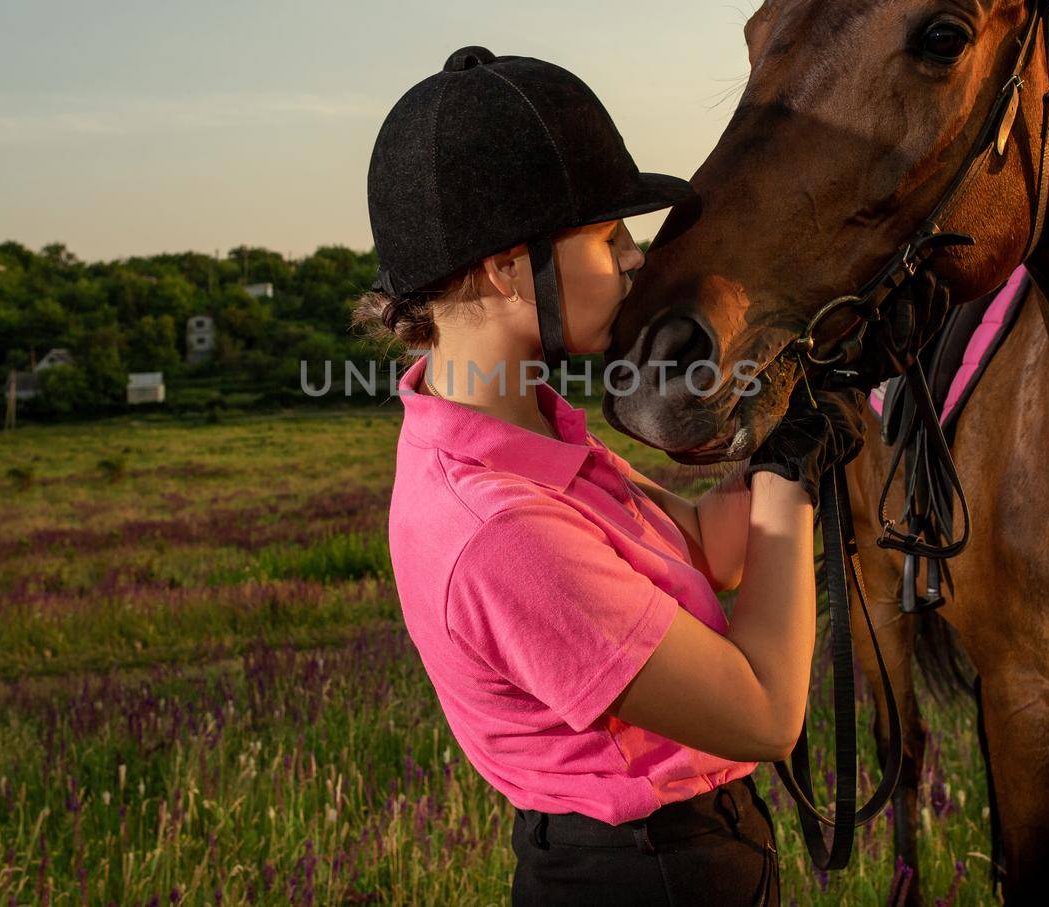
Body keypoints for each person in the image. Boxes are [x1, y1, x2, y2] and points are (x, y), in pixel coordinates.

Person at [353, 46, 866, 906]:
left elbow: (705, 549)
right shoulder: (500, 527)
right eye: (607, 235)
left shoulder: (518, 435)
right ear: (508, 266)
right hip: (649, 876)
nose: (635, 259)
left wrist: (795, 423)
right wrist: (786, 483)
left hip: (678, 856)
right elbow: (766, 711)